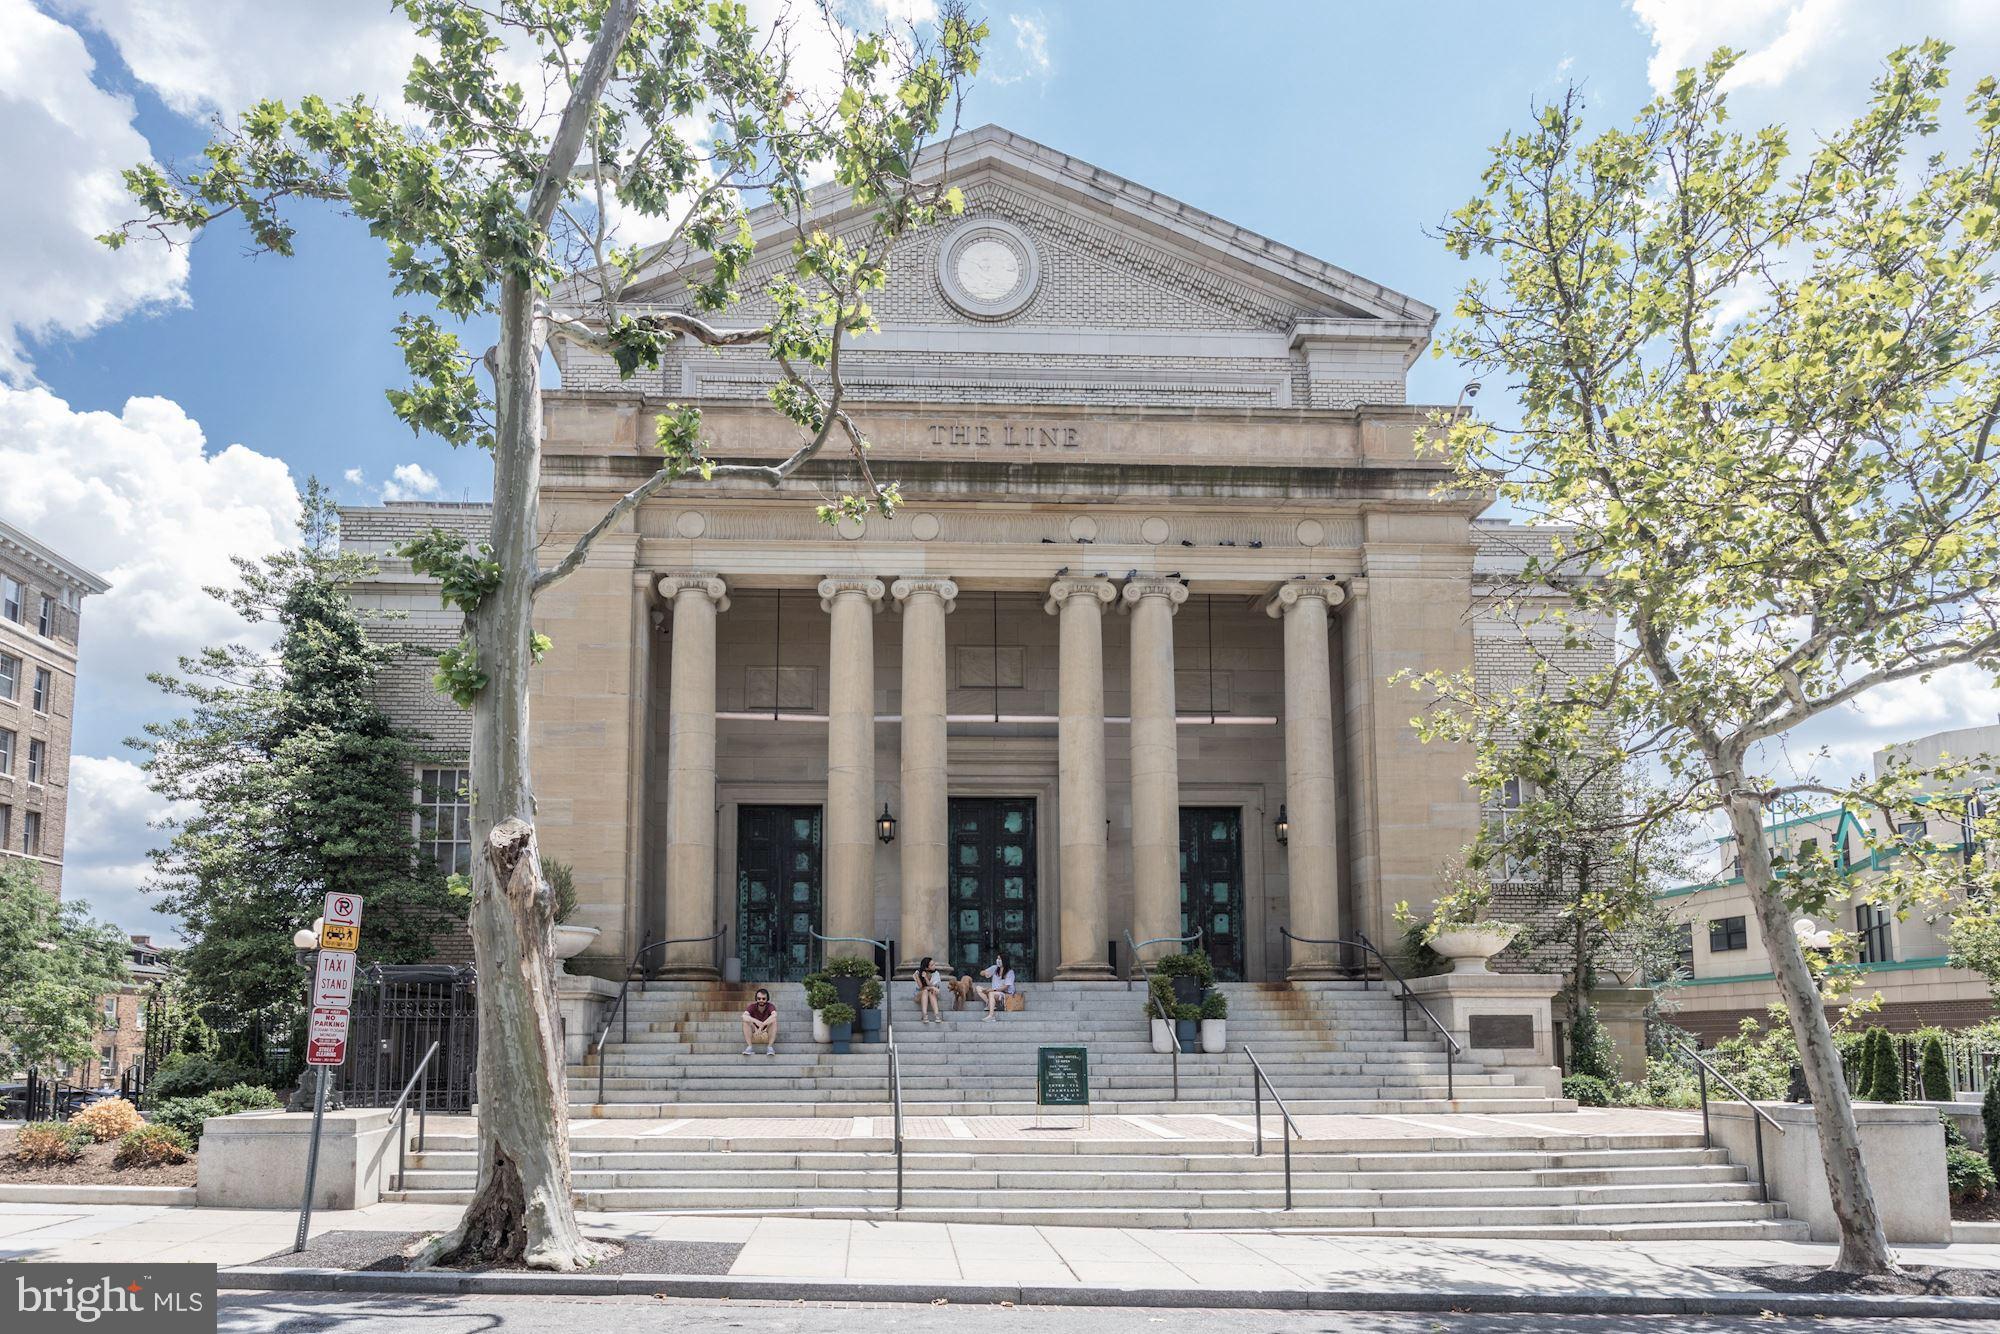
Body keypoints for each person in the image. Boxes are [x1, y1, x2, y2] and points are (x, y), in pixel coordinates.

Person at [973, 952, 1016, 1020]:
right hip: (994, 992)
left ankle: (991, 1015)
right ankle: (990, 1004)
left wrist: (992, 990)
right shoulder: (995, 968)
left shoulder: (1010, 972)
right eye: (997, 958)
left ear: (1004, 960)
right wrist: (984, 973)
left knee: (991, 993)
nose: (997, 960)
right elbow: (982, 972)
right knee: (978, 988)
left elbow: (1005, 987)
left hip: (1005, 994)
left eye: (999, 959)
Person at [741, 988, 778, 1055]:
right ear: (756, 999)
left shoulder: (770, 1006)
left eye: (763, 999)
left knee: (774, 1020)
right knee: (745, 1021)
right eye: (759, 998)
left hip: (766, 1032)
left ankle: (770, 1047)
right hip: (754, 1032)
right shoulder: (752, 1006)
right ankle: (749, 1047)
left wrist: (762, 1025)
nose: (761, 1000)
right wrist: (756, 1021)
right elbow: (744, 1016)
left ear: (767, 999)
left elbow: (774, 1015)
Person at [913, 957, 944, 1023]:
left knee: (930, 992)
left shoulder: (936, 974)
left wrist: (926, 978)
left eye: (934, 964)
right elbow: (921, 987)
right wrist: (919, 977)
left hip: (932, 995)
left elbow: (934, 988)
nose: (934, 966)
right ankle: (925, 1015)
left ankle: (937, 1015)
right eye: (932, 965)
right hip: (919, 995)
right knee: (925, 991)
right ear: (926, 968)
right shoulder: (917, 973)